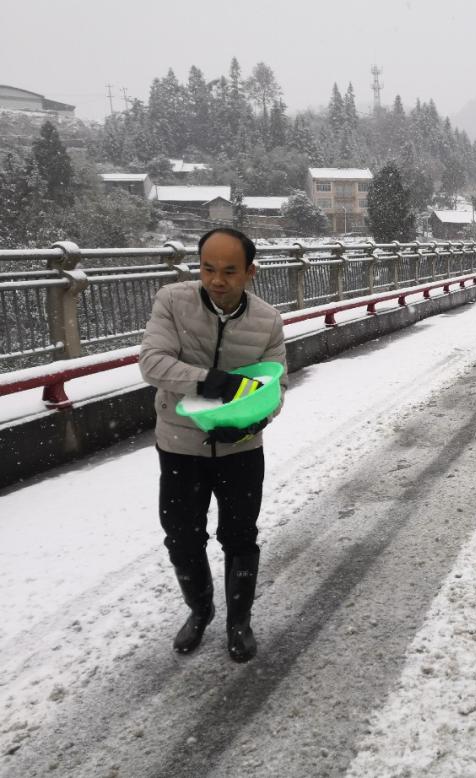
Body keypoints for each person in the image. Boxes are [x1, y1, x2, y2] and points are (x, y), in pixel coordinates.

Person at [140, 228, 287, 662]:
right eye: (207, 268)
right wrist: (208, 380)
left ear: (250, 272)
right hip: (180, 445)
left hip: (241, 451)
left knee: (240, 536)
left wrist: (249, 424)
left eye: (229, 271)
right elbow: (152, 362)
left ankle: (238, 622)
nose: (216, 280)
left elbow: (276, 388)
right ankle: (199, 611)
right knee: (182, 538)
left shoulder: (268, 320)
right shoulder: (172, 301)